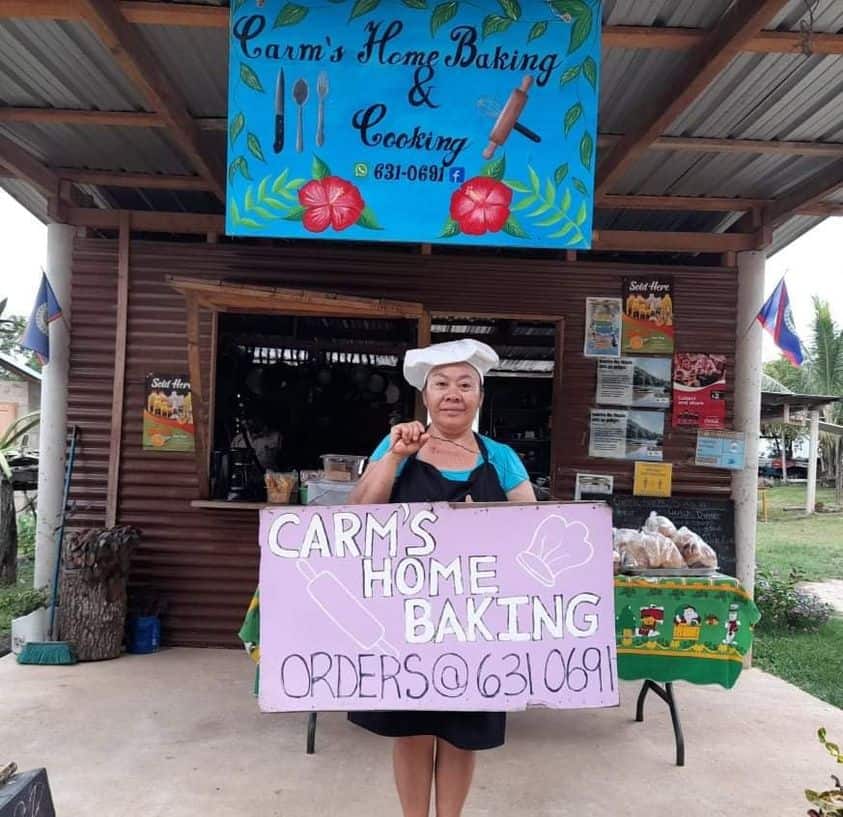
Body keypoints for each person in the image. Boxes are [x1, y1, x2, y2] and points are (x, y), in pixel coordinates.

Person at [348, 338, 536, 817]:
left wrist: (487, 524)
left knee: (461, 731)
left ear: (479, 398)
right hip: (405, 616)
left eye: (465, 385)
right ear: (425, 395)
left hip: (477, 620)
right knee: (411, 728)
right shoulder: (398, 446)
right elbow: (357, 516)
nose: (454, 394)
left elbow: (534, 531)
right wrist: (393, 456)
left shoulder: (502, 458)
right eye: (442, 384)